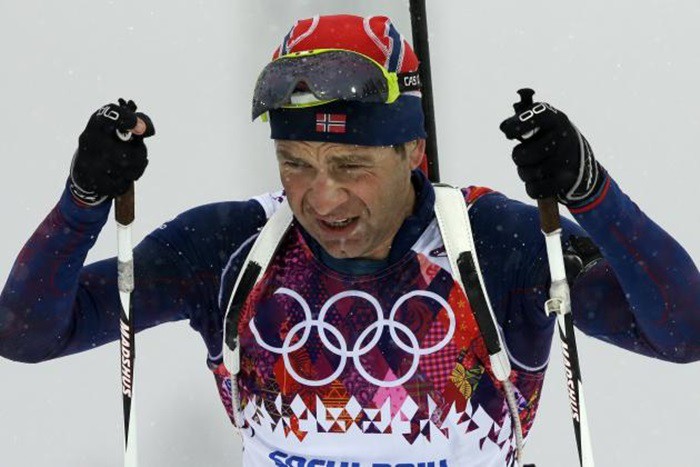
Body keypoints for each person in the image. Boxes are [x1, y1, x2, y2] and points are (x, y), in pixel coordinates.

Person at [1, 13, 698, 467]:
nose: (322, 196)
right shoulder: (230, 247)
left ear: (412, 150)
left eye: (351, 165)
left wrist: (589, 191)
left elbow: (682, 330)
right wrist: (83, 199)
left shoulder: (495, 245)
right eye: (295, 163)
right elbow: (27, 332)